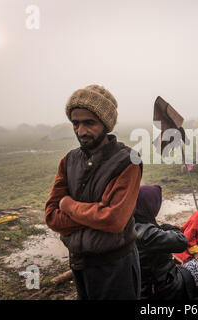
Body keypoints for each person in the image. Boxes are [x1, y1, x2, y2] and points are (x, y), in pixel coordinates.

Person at [45, 84, 142, 300]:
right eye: (75, 123)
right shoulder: (68, 161)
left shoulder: (128, 161)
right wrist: (98, 213)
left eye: (89, 122)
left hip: (115, 267)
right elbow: (51, 216)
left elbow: (115, 220)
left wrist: (69, 206)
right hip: (79, 263)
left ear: (106, 124)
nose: (81, 131)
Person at [134, 185, 196, 300]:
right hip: (161, 286)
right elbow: (182, 241)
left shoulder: (132, 224)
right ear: (151, 205)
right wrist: (168, 227)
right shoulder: (148, 232)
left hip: (142, 283)